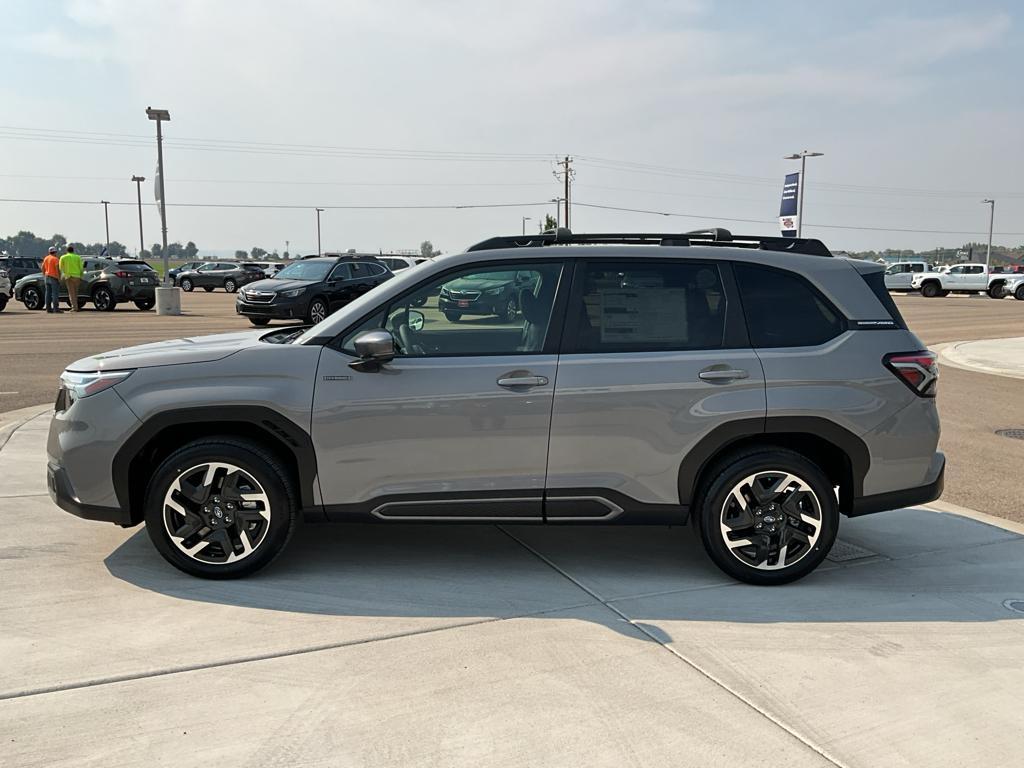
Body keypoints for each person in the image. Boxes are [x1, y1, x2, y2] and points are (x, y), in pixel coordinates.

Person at [59, 244, 84, 312]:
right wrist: (81, 276)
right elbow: (81, 268)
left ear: (67, 251)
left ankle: (74, 307)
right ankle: (76, 306)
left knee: (71, 293)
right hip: (77, 276)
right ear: (73, 251)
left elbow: (60, 267)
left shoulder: (63, 257)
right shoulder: (78, 257)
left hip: (69, 276)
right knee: (76, 293)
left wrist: (63, 275)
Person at [42, 246, 62, 313]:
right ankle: (56, 308)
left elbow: (42, 267)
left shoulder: (46, 258)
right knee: (55, 294)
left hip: (47, 276)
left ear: (49, 252)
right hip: (54, 277)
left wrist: (44, 274)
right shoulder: (55, 259)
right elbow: (57, 269)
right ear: (55, 252)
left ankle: (48, 308)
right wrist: (59, 278)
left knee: (47, 293)